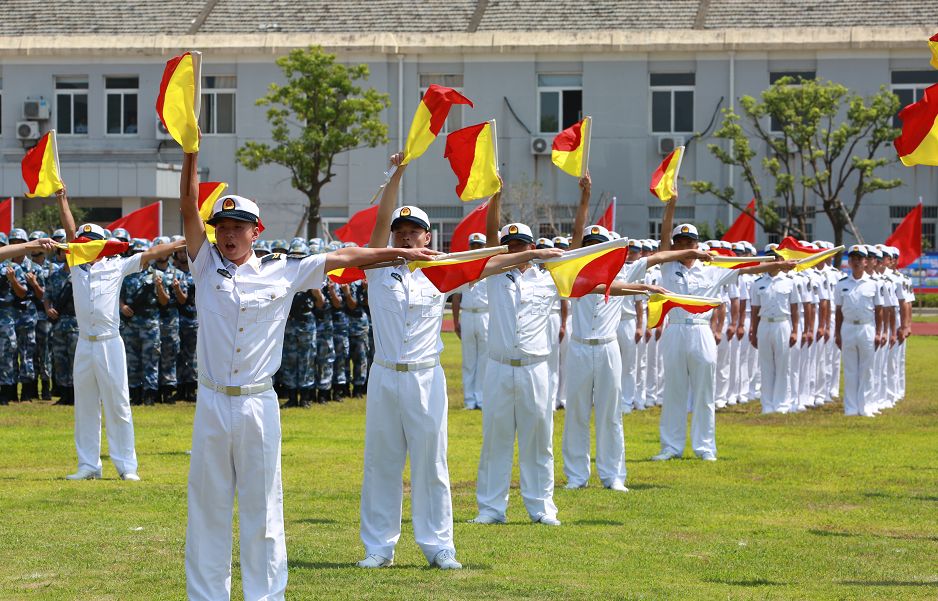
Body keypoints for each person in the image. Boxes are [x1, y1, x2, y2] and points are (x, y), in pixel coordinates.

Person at [179, 151, 437, 600]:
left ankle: (265, 594)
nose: (228, 235)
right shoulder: (204, 265)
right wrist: (191, 153)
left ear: (256, 232)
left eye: (238, 228)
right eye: (222, 227)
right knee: (207, 505)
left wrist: (399, 250)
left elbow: (343, 256)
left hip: (258, 402)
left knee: (263, 508)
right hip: (213, 401)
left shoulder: (284, 267)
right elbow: (186, 206)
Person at [358, 153, 546, 569]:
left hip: (426, 378)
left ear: (428, 238)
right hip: (386, 377)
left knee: (432, 462)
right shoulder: (376, 267)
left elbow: (492, 261)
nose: (406, 238)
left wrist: (532, 256)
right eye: (400, 232)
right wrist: (397, 175)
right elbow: (380, 218)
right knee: (381, 462)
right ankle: (378, 547)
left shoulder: (441, 271)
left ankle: (439, 544)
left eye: (415, 233)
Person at [653, 198, 796, 462]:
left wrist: (778, 266)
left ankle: (705, 446)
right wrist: (672, 204)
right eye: (681, 243)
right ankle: (670, 446)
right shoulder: (666, 266)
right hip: (674, 329)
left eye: (691, 243)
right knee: (673, 390)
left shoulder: (711, 270)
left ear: (698, 245)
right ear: (675, 246)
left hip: (700, 331)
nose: (686, 247)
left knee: (705, 392)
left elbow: (748, 269)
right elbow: (662, 237)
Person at [562, 222, 699, 492]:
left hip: (607, 347)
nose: (593, 250)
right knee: (576, 412)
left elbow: (657, 257)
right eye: (589, 246)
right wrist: (585, 200)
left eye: (599, 246)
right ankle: (576, 475)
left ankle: (613, 475)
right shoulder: (575, 270)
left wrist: (693, 254)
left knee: (610, 413)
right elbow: (576, 235)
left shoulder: (624, 270)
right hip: (578, 346)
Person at [55, 187, 180, 480]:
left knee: (118, 404)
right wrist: (62, 200)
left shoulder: (115, 266)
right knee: (85, 406)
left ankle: (127, 466)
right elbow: (70, 231)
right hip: (84, 343)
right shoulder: (75, 266)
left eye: (89, 244)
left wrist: (185, 241)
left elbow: (149, 254)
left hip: (110, 343)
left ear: (101, 245)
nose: (83, 247)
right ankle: (88, 465)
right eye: (81, 243)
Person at [834, 245, 884, 417]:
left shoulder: (874, 284)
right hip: (848, 327)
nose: (856, 262)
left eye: (859, 259)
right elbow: (838, 311)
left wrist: (879, 332)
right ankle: (851, 407)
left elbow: (879, 310)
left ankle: (866, 406)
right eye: (852, 259)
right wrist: (837, 333)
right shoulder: (841, 285)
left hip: (867, 327)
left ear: (865, 262)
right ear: (849, 262)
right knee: (850, 369)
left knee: (866, 369)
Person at [748, 255, 800, 414]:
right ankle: (768, 405)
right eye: (770, 259)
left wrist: (795, 330)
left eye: (776, 259)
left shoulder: (789, 281)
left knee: (783, 365)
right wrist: (754, 331)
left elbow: (794, 308)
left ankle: (782, 404)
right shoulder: (758, 283)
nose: (773, 263)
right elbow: (755, 310)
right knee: (765, 366)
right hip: (764, 324)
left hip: (782, 323)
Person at [450, 232, 489, 410]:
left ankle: (481, 398)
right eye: (473, 246)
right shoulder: (462, 268)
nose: (476, 249)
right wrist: (456, 321)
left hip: (484, 315)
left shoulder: (490, 267)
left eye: (479, 246)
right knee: (469, 360)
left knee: (484, 359)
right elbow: (456, 297)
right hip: (468, 315)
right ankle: (469, 400)